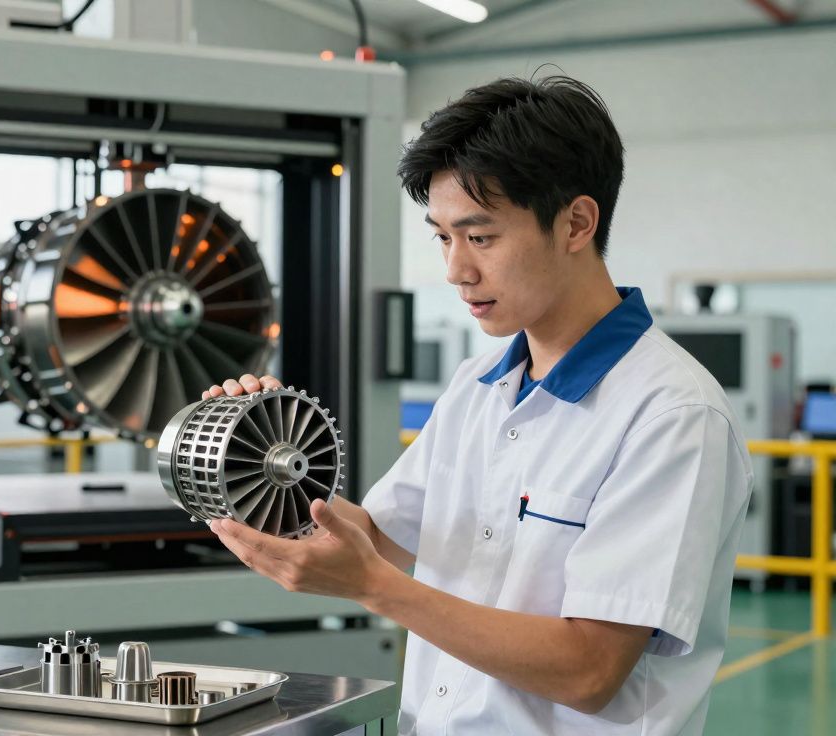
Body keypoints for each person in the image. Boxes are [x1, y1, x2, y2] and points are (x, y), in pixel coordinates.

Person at [202, 76, 752, 734]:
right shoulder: (479, 384)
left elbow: (590, 670)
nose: (456, 269)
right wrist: (254, 456)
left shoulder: (671, 415)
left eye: (481, 237)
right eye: (442, 236)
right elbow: (378, 536)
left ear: (577, 222)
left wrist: (374, 587)